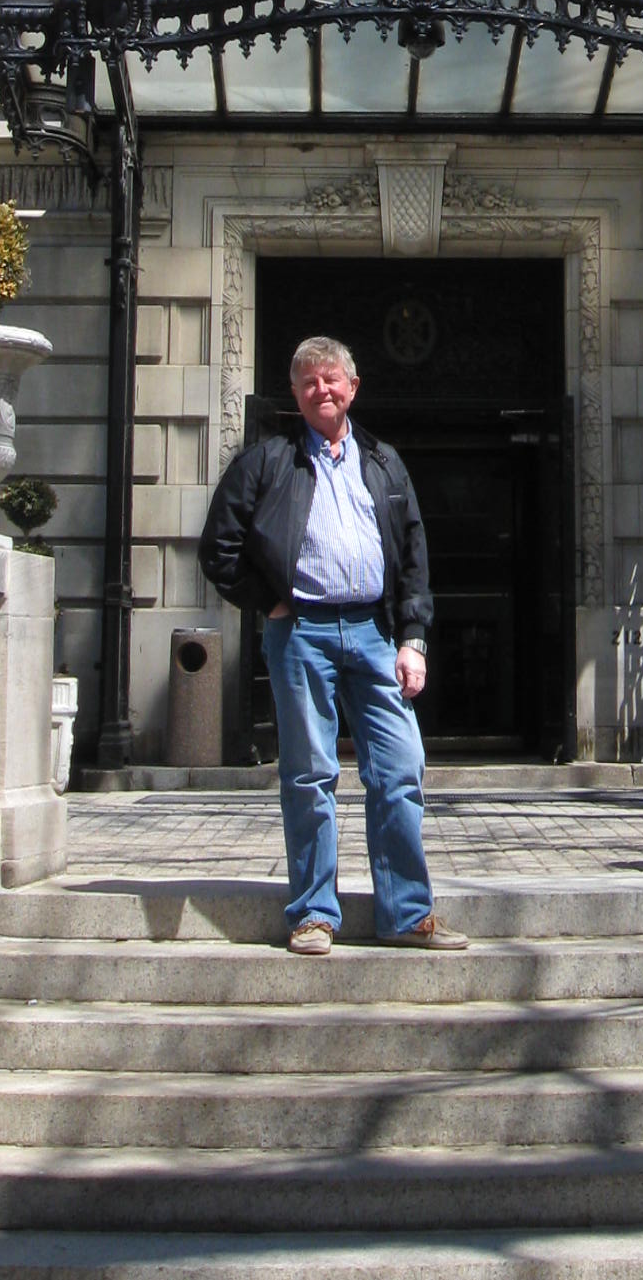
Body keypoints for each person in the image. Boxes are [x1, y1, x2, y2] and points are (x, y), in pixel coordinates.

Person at [199, 333, 466, 956]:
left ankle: (406, 913)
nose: (322, 389)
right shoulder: (265, 462)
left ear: (352, 388)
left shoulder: (384, 462)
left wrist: (414, 638)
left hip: (375, 633)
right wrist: (268, 602)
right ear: (295, 394)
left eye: (332, 379)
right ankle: (315, 914)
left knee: (399, 771)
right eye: (309, 381)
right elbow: (219, 546)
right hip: (300, 635)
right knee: (309, 775)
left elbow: (412, 558)